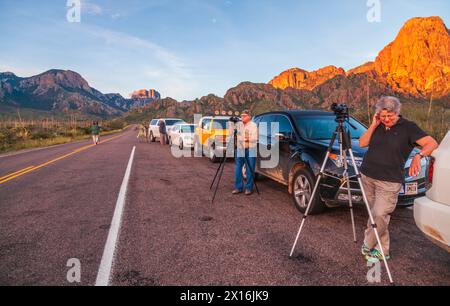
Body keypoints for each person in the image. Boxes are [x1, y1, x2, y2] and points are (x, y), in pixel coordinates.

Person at [359, 96, 439, 263]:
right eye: (383, 116)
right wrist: (374, 124)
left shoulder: (408, 127)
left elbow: (432, 143)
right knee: (374, 214)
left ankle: (368, 242)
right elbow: (362, 142)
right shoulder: (378, 125)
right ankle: (382, 251)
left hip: (389, 181)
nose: (386, 119)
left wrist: (419, 155)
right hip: (368, 175)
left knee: (380, 214)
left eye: (390, 116)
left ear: (397, 113)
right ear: (378, 115)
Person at [231, 110, 258, 196]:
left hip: (250, 148)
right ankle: (238, 187)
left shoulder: (253, 125)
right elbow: (232, 134)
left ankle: (248, 188)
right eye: (241, 115)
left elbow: (255, 138)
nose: (242, 117)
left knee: (250, 169)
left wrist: (245, 139)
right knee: (237, 168)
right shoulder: (239, 125)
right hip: (239, 148)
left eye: (244, 115)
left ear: (249, 116)